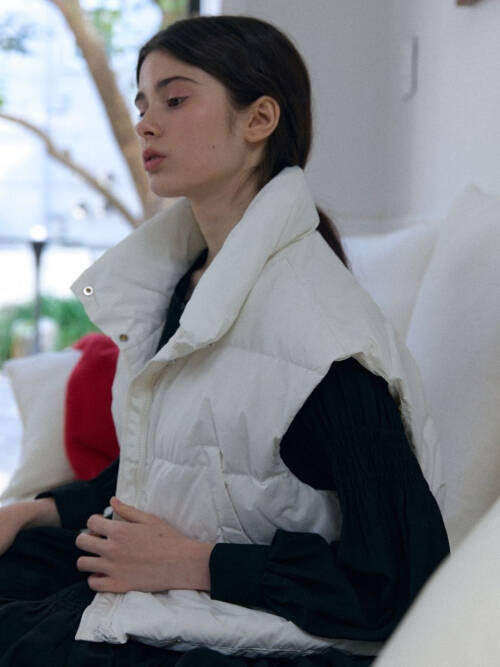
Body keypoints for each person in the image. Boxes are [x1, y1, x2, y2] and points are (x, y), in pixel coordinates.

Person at [0, 14, 449, 666]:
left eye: (175, 100)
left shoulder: (319, 333)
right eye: (142, 105)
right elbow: (180, 472)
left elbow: (399, 575)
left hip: (269, 625)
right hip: (177, 588)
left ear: (258, 119)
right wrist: (31, 512)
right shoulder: (190, 284)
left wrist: (192, 562)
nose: (146, 124)